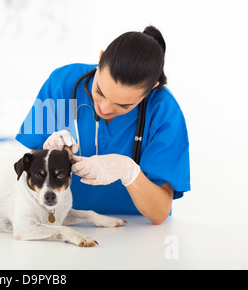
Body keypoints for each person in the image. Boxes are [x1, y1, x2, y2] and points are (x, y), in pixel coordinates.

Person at [15, 26, 190, 225]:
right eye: (100, 91)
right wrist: (47, 151)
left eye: (124, 105)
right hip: (67, 221)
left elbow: (159, 212)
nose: (104, 108)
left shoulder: (164, 111)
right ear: (100, 58)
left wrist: (128, 171)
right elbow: (35, 165)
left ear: (151, 89)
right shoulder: (61, 83)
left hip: (135, 229)